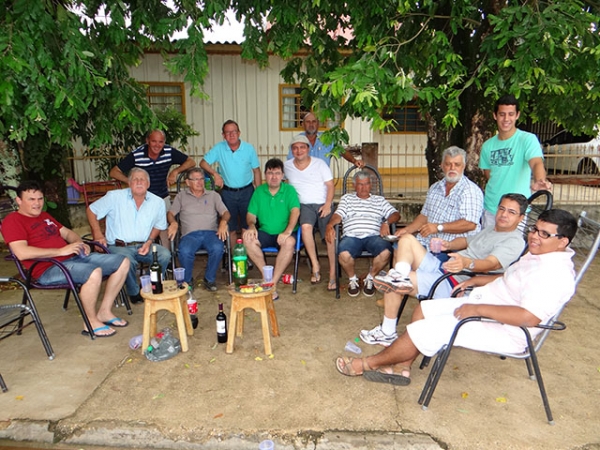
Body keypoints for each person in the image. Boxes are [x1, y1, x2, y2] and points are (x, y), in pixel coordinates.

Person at [336, 209, 577, 387]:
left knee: (426, 329)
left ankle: (368, 364)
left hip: (507, 328)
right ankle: (402, 366)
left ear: (562, 242)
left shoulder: (554, 274)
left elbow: (528, 317)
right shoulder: (538, 255)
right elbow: (508, 280)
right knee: (424, 309)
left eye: (544, 234)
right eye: (535, 229)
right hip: (487, 305)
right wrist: (475, 281)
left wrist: (477, 309)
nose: (535, 236)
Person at [361, 193, 528, 347]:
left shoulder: (514, 241)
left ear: (521, 218)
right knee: (407, 240)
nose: (504, 215)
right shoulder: (492, 229)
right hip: (446, 267)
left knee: (392, 281)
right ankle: (400, 276)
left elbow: (491, 264)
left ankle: (388, 332)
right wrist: (447, 245)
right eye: (502, 209)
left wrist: (466, 263)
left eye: (511, 212)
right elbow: (466, 241)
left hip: (457, 282)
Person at [2, 181, 130, 338]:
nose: (37, 204)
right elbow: (21, 252)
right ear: (19, 201)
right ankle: (90, 321)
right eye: (31, 199)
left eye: (40, 199)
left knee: (122, 262)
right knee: (93, 273)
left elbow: (68, 233)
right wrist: (60, 250)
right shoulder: (12, 221)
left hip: (73, 259)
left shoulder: (44, 216)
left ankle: (104, 311)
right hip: (47, 268)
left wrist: (79, 243)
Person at [87, 168, 171, 304]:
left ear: (148, 184)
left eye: (142, 179)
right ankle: (134, 292)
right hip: (119, 246)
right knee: (127, 261)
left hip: (145, 244)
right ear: (129, 183)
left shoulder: (158, 202)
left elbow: (159, 226)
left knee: (164, 255)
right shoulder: (114, 197)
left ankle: (148, 287)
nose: (139, 182)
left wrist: (149, 242)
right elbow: (91, 211)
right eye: (135, 179)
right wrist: (97, 234)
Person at [109, 129, 195, 245]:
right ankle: (144, 254)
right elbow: (114, 172)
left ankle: (167, 258)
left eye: (161, 142)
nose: (157, 145)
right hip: (142, 199)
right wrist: (130, 181)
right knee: (144, 229)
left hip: (162, 197)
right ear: (147, 141)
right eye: (154, 141)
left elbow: (191, 162)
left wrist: (175, 171)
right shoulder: (137, 155)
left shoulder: (169, 151)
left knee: (164, 228)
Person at [479, 94, 552, 227]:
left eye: (511, 114)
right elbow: (488, 174)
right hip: (491, 208)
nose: (506, 119)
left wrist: (539, 181)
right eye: (502, 114)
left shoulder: (527, 139)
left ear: (517, 115)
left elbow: (536, 162)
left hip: (516, 211)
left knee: (512, 247)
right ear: (495, 115)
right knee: (488, 246)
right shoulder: (487, 145)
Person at [325, 170, 400, 297]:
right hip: (352, 236)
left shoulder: (379, 200)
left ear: (371, 185)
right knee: (343, 254)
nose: (364, 187)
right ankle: (352, 279)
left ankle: (370, 278)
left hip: (374, 236)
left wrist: (386, 223)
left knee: (386, 252)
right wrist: (329, 225)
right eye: (360, 184)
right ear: (354, 186)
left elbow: (396, 214)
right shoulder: (347, 199)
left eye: (366, 184)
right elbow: (338, 215)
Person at [395, 146, 483, 248]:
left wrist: (439, 227)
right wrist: (407, 230)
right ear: (442, 166)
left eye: (457, 165)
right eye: (448, 164)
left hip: (452, 247)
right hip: (427, 241)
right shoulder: (435, 188)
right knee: (400, 246)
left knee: (406, 252)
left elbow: (470, 224)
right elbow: (424, 216)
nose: (452, 168)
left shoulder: (470, 191)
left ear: (463, 166)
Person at [243, 158, 300, 301]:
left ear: (282, 175)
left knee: (289, 242)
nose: (273, 177)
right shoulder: (259, 191)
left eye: (277, 173)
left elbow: (295, 211)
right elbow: (251, 215)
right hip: (265, 232)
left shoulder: (289, 190)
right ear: (264, 175)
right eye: (270, 173)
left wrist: (287, 231)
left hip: (284, 231)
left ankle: (271, 284)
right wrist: (251, 226)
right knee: (247, 239)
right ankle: (266, 277)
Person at [284, 135, 336, 288]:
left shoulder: (319, 164)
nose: (299, 151)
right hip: (304, 205)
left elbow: (330, 185)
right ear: (291, 150)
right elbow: (278, 181)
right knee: (306, 228)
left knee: (330, 234)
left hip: (322, 203)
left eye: (302, 147)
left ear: (308, 149)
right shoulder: (286, 166)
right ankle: (315, 266)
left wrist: (327, 204)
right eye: (295, 148)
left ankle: (333, 272)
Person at [167, 167, 231, 291]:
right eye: (195, 179)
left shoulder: (213, 195)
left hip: (211, 233)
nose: (199, 182)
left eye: (201, 179)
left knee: (218, 248)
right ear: (187, 182)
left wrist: (223, 221)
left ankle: (209, 279)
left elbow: (226, 212)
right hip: (190, 235)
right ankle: (187, 280)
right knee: (184, 251)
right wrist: (173, 222)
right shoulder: (181, 196)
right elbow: (170, 213)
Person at [200, 120, 262, 246]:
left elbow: (256, 171)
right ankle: (233, 258)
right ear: (223, 135)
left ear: (239, 133)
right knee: (230, 227)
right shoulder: (219, 148)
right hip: (228, 193)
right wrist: (215, 174)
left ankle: (247, 257)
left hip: (247, 192)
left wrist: (259, 192)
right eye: (227, 132)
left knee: (247, 226)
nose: (231, 135)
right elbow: (203, 163)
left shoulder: (249, 148)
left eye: (234, 132)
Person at [286, 112, 364, 167]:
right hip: (303, 183)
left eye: (314, 122)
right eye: (308, 122)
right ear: (303, 125)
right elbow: (290, 162)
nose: (311, 124)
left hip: (323, 183)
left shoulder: (327, 138)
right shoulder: (297, 141)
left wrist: (354, 161)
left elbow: (342, 151)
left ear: (318, 124)